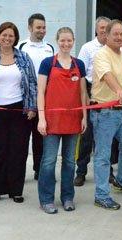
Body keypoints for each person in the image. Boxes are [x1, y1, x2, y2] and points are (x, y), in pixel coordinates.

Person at [0, 22, 37, 205]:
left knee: (18, 151)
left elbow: (33, 84)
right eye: (4, 35)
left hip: (20, 111)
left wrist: (32, 107)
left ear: (15, 38)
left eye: (11, 36)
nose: (7, 38)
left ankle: (16, 190)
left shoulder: (24, 57)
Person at [36, 27, 87, 214]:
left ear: (73, 41)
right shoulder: (47, 63)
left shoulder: (79, 64)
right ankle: (46, 199)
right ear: (57, 41)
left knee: (69, 162)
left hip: (73, 121)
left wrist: (84, 117)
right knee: (48, 161)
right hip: (51, 121)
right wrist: (41, 118)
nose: (66, 44)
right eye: (62, 40)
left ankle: (67, 197)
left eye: (69, 40)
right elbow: (40, 91)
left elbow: (83, 93)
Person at [91, 19, 122, 210]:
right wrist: (119, 91)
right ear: (107, 35)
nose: (120, 38)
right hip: (104, 112)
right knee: (103, 155)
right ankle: (101, 195)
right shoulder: (101, 55)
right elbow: (108, 76)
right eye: (116, 34)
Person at [18, 13, 55, 180]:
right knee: (22, 140)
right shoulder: (21, 47)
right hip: (25, 101)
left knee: (41, 138)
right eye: (38, 27)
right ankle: (18, 174)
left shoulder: (50, 48)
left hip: (44, 100)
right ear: (30, 28)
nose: (42, 30)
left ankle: (39, 171)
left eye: (44, 27)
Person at [74, 16, 111, 187]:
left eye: (107, 27)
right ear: (96, 29)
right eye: (102, 27)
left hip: (108, 93)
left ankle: (107, 172)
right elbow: (80, 73)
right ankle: (81, 172)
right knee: (86, 135)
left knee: (105, 135)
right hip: (90, 90)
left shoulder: (115, 48)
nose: (104, 30)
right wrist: (85, 95)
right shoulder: (88, 48)